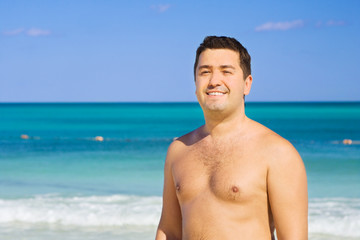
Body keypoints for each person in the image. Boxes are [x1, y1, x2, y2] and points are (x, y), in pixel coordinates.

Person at [155, 36, 308, 240]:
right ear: (195, 83)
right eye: (205, 72)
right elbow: (169, 231)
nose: (214, 81)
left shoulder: (277, 152)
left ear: (247, 84)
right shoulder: (178, 149)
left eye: (226, 71)